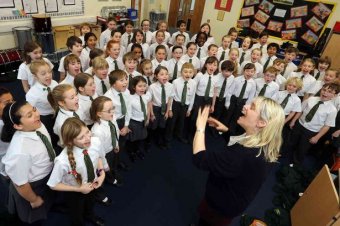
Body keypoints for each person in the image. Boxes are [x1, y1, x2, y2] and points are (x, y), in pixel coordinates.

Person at [192, 96, 284, 226]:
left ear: (261, 122)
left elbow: (199, 158)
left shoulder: (242, 154)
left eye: (252, 107)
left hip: (221, 205)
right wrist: (226, 132)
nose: (245, 107)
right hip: (234, 201)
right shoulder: (264, 145)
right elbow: (240, 149)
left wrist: (200, 128)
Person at [2, 101, 56, 225]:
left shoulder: (37, 125)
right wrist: (33, 199)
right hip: (32, 186)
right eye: (29, 115)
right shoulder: (19, 151)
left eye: (34, 109)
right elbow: (20, 184)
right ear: (18, 126)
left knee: (48, 200)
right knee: (33, 215)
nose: (37, 115)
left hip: (46, 175)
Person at [47, 117, 105, 226]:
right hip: (74, 191)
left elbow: (98, 157)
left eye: (87, 132)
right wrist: (78, 189)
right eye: (81, 137)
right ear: (70, 141)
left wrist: (101, 172)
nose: (88, 138)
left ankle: (90, 215)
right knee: (76, 211)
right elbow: (53, 185)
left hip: (92, 184)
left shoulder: (95, 141)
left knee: (90, 203)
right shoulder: (62, 161)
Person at [288, 83, 338, 164]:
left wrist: (317, 137)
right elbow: (301, 111)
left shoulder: (332, 110)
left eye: (329, 92)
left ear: (334, 95)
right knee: (291, 142)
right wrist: (293, 121)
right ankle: (284, 156)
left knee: (302, 149)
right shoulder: (311, 99)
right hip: (299, 125)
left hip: (311, 131)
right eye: (324, 90)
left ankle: (294, 164)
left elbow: (327, 126)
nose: (325, 93)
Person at [90, 96, 122, 187]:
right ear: (99, 114)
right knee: (108, 168)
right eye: (109, 110)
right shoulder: (97, 131)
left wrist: (116, 144)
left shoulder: (111, 117)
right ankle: (110, 179)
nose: (113, 112)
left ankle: (113, 171)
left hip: (113, 148)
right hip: (105, 154)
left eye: (113, 108)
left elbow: (115, 131)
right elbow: (100, 152)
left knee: (114, 163)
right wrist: (105, 165)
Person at [26, 60, 59, 147]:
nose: (48, 75)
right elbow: (29, 110)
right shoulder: (32, 93)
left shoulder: (54, 83)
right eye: (43, 74)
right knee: (52, 139)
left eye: (49, 72)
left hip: (58, 113)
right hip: (46, 118)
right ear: (35, 76)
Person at [104, 69, 132, 171]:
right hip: (113, 122)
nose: (125, 82)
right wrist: (117, 129)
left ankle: (118, 161)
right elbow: (110, 116)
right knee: (114, 146)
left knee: (122, 144)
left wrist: (126, 125)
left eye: (126, 79)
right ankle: (112, 167)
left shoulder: (127, 92)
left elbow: (128, 108)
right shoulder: (107, 97)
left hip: (123, 121)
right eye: (121, 80)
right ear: (113, 84)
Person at [48, 84, 84, 149]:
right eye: (72, 97)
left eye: (76, 94)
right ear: (61, 103)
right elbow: (66, 143)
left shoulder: (77, 106)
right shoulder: (61, 124)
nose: (77, 98)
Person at [168, 63, 196, 143]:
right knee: (172, 122)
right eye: (185, 72)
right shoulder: (175, 82)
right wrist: (170, 109)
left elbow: (192, 96)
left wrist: (189, 109)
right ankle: (168, 138)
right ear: (181, 72)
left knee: (181, 122)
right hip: (175, 105)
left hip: (185, 106)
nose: (188, 74)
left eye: (190, 72)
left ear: (193, 73)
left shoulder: (193, 83)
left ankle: (179, 135)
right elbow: (171, 96)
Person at [148, 66, 174, 149]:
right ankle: (149, 141)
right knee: (153, 126)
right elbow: (150, 101)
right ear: (156, 76)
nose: (165, 76)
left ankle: (160, 141)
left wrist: (168, 111)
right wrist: (152, 114)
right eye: (162, 74)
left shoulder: (170, 85)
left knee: (162, 126)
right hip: (155, 108)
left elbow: (170, 99)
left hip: (164, 108)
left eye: (166, 74)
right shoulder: (152, 87)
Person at [127, 76, 152, 160]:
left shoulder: (147, 95)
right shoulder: (130, 98)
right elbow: (128, 113)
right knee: (133, 139)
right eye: (140, 86)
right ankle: (132, 152)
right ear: (134, 87)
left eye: (144, 86)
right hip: (134, 122)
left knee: (141, 137)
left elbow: (148, 105)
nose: (142, 88)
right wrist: (127, 125)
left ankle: (138, 150)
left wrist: (147, 118)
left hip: (143, 121)